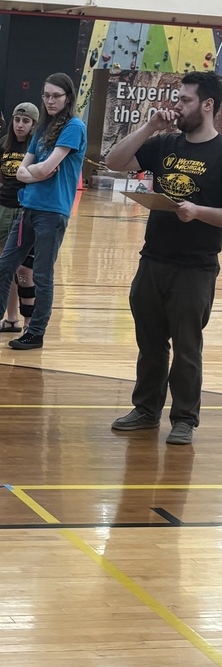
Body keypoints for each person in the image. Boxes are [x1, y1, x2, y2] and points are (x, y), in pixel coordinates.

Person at [105, 71, 222, 446]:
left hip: (195, 266)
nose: (177, 106)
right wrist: (149, 126)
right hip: (153, 259)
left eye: (185, 100)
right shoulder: (165, 143)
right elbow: (114, 161)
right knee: (150, 341)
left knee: (187, 348)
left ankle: (185, 418)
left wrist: (198, 212)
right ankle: (146, 409)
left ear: (207, 105)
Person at [0, 72, 87, 350]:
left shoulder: (74, 127)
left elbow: (44, 167)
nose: (50, 101)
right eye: (47, 95)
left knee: (42, 274)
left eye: (56, 96)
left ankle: (35, 331)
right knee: (5, 266)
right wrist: (34, 173)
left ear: (68, 98)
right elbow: (26, 169)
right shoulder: (41, 129)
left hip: (52, 212)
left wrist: (32, 172)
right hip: (28, 208)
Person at [0, 102, 40, 333]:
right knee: (5, 269)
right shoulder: (4, 144)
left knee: (25, 271)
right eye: (17, 120)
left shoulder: (37, 147)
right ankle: (11, 319)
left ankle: (29, 324)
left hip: (26, 212)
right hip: (3, 210)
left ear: (34, 124)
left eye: (25, 121)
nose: (20, 125)